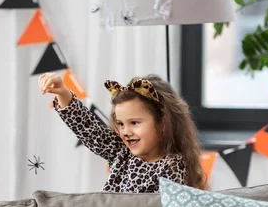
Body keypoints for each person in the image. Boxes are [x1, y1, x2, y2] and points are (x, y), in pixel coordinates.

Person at [39, 73, 206, 192]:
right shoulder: (121, 151)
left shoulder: (172, 165)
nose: (126, 132)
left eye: (134, 123)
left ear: (162, 123)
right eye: (120, 124)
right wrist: (62, 92)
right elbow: (89, 130)